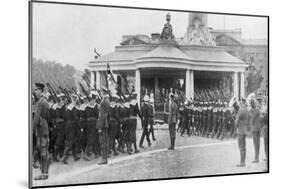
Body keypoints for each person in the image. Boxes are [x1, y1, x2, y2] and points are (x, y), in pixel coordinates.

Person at [33, 83, 50, 180]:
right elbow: (47, 117)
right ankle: (44, 173)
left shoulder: (41, 102)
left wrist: (31, 128)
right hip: (43, 128)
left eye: (36, 89)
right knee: (43, 151)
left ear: (40, 90)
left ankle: (44, 174)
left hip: (41, 129)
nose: (35, 91)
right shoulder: (44, 101)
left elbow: (36, 118)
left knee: (43, 152)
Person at [84, 91, 100, 160]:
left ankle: (94, 153)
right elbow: (98, 115)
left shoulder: (87, 106)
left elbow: (85, 115)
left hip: (88, 123)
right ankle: (87, 153)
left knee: (91, 138)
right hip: (94, 123)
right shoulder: (95, 105)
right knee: (95, 138)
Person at [97, 87, 110, 165]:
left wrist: (100, 127)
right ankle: (104, 158)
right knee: (104, 141)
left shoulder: (104, 101)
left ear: (103, 92)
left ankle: (104, 159)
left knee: (103, 142)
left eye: (101, 91)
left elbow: (102, 115)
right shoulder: (106, 101)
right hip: (105, 123)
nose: (101, 93)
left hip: (102, 124)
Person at [235, 98, 250, 167]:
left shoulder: (240, 110)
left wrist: (236, 124)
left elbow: (237, 122)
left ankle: (242, 163)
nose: (240, 104)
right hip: (244, 130)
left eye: (241, 103)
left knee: (241, 147)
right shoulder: (247, 110)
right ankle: (243, 162)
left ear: (243, 103)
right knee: (244, 147)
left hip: (240, 130)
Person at [249, 99, 261, 163]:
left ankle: (256, 159)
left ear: (253, 104)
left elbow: (252, 119)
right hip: (257, 129)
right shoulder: (256, 110)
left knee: (256, 144)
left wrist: (250, 112)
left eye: (251, 104)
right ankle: (257, 158)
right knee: (257, 144)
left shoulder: (255, 110)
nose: (250, 105)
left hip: (255, 129)